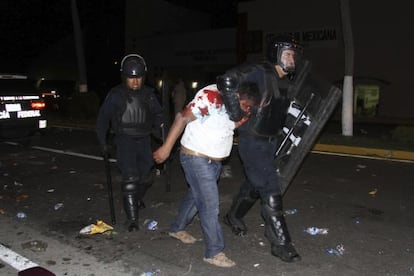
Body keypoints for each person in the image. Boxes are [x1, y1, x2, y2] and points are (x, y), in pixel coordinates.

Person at [216, 35, 304, 262]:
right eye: (287, 53)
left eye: (293, 55)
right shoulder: (260, 71)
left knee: (257, 183)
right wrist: (235, 113)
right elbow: (227, 80)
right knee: (270, 188)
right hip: (253, 141)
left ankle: (233, 216)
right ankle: (281, 244)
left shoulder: (285, 80)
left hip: (271, 141)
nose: (291, 58)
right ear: (275, 54)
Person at [153, 83, 260, 267]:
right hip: (196, 157)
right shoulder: (211, 96)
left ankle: (177, 228)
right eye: (245, 105)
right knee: (210, 204)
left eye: (250, 107)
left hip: (214, 162)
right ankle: (214, 251)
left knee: (196, 196)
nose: (247, 110)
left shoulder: (239, 105)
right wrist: (166, 147)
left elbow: (226, 125)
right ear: (236, 96)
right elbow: (181, 118)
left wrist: (241, 121)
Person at [96, 54, 163, 232]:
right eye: (131, 78)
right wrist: (102, 141)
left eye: (138, 78)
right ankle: (132, 219)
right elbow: (103, 119)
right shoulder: (116, 95)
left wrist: (160, 131)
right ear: (124, 77)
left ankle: (136, 198)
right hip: (124, 139)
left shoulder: (149, 95)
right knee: (131, 178)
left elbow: (158, 115)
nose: (135, 82)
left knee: (147, 177)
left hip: (144, 139)